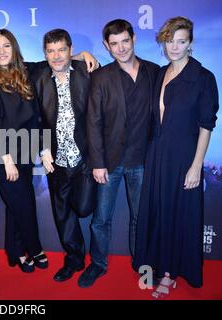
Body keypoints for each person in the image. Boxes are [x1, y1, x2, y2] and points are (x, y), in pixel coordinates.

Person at [133, 17, 219, 297]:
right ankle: (155, 266)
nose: (175, 46)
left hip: (183, 158)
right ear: (163, 41)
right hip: (157, 155)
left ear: (190, 43)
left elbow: (206, 125)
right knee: (156, 212)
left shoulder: (203, 78)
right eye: (170, 40)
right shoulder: (160, 73)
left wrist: (196, 167)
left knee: (176, 214)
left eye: (181, 41)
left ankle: (170, 274)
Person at [84, 19, 159, 288]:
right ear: (107, 46)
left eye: (125, 41)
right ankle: (98, 264)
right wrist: (98, 163)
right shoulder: (101, 77)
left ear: (134, 38)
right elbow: (93, 122)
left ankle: (142, 263)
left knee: (141, 217)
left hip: (143, 160)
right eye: (114, 44)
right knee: (101, 219)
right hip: (110, 163)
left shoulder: (154, 72)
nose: (121, 48)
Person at [0, 28, 48, 273]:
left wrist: (81, 55)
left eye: (6, 45)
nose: (2, 51)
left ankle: (14, 250)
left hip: (26, 150)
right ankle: (35, 248)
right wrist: (7, 160)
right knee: (25, 203)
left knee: (17, 203)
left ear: (14, 48)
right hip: (3, 153)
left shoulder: (26, 72)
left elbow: (53, 59)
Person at [30, 29, 93, 281]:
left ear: (71, 49)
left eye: (62, 50)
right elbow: (34, 118)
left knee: (84, 208)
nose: (56, 56)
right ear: (44, 53)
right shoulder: (37, 77)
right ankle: (74, 259)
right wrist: (43, 150)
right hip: (55, 160)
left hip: (85, 157)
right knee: (62, 213)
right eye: (50, 51)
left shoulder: (88, 72)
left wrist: (83, 55)